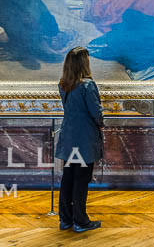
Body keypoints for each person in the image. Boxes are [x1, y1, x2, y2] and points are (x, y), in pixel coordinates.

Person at [55, 47, 104, 234]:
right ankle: (81, 221)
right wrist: (101, 119)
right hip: (84, 139)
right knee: (81, 180)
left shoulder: (63, 84)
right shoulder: (87, 85)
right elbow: (96, 113)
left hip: (69, 137)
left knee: (68, 178)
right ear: (84, 63)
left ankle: (65, 219)